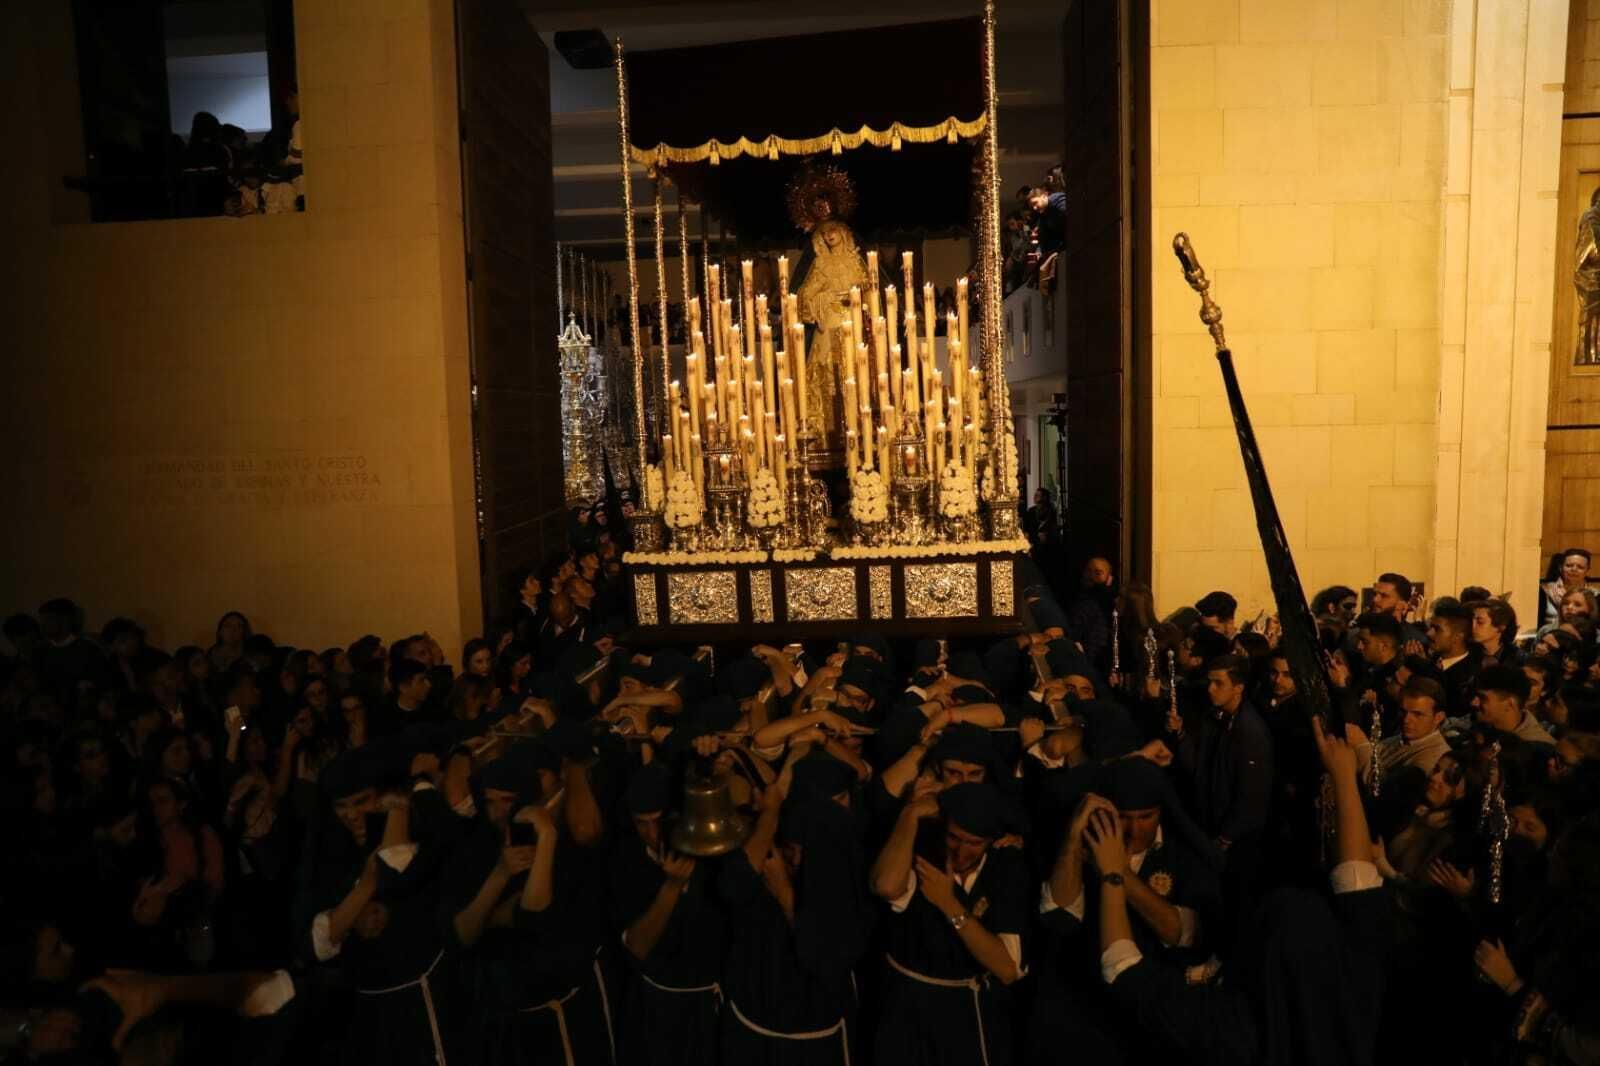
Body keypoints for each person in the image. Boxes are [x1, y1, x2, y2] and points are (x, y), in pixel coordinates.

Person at [871, 781, 1026, 1066]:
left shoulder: (1006, 867)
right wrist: (910, 814)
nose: (961, 851)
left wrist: (948, 902)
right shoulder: (923, 854)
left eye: (974, 843)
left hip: (968, 1011)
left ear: (991, 841)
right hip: (909, 1007)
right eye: (954, 838)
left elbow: (1007, 968)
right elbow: (886, 886)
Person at [1542, 548, 1592, 627]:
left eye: (1580, 567)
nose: (1574, 569)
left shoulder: (1595, 595)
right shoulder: (1545, 591)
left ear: (1587, 571)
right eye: (1569, 565)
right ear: (1561, 568)